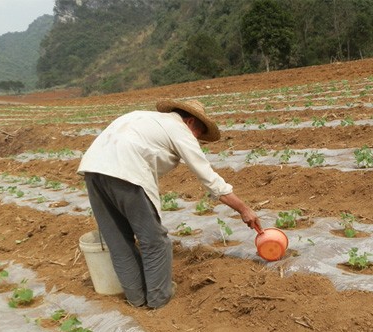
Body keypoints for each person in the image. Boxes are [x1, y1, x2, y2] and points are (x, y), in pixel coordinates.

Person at [77, 99, 262, 309]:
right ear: (191, 121)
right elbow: (209, 178)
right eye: (199, 135)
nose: (197, 140)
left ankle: (136, 299)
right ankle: (158, 301)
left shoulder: (144, 117)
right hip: (127, 172)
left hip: (93, 170)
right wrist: (244, 209)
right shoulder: (180, 129)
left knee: (118, 241)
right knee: (155, 242)